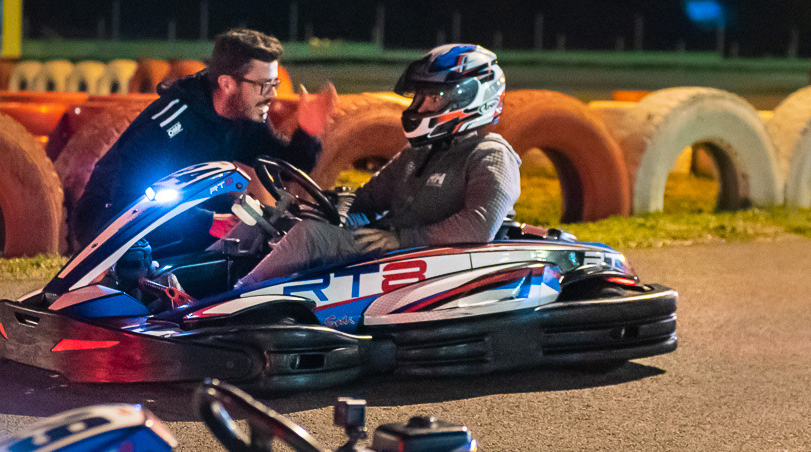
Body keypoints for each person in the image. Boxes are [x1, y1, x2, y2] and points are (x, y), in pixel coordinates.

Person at [235, 43, 521, 288]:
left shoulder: (490, 154)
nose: (420, 107)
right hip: (394, 249)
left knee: (310, 237)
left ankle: (235, 299)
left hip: (423, 260)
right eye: (419, 97)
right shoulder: (417, 153)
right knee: (268, 218)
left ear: (470, 99)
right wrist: (326, 208)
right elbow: (366, 199)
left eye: (432, 99)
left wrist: (400, 240)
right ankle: (212, 280)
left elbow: (478, 227)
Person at [72, 28, 333, 258]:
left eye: (274, 84)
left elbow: (285, 169)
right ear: (227, 84)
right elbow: (134, 195)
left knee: (259, 228)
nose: (273, 94)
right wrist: (208, 222)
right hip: (112, 215)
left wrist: (308, 133)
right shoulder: (175, 120)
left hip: (180, 210)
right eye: (264, 85)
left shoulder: (246, 118)